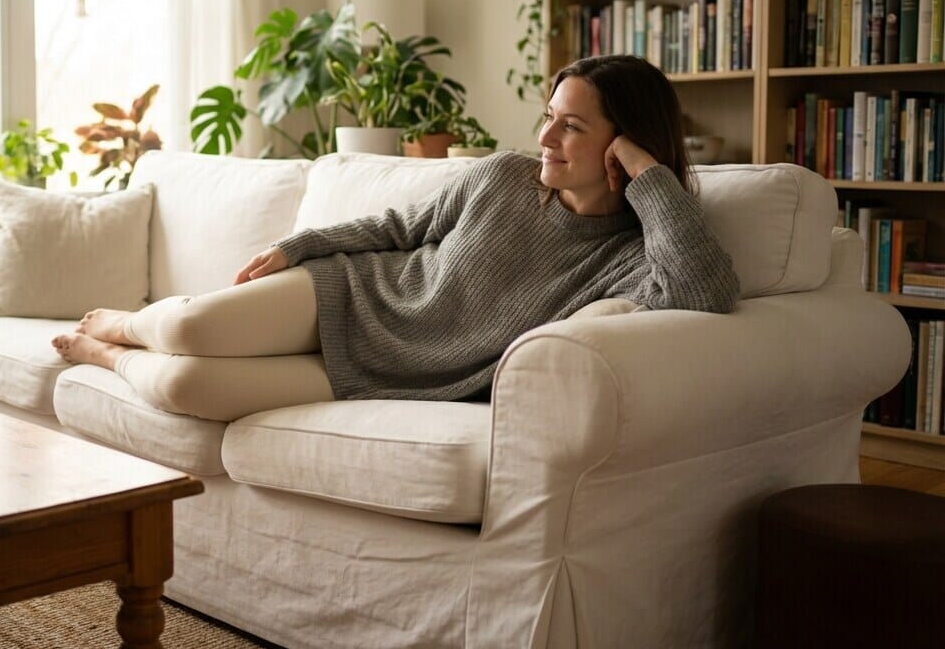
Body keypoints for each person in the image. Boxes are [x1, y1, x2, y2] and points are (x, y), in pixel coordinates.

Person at [52, 54, 740, 421]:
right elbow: (398, 227)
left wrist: (648, 173)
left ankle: (101, 356)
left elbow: (705, 292)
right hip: (353, 295)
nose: (544, 137)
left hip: (407, 374)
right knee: (193, 330)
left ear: (623, 142)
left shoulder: (630, 255)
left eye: (572, 126)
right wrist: (299, 247)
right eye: (548, 116)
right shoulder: (502, 175)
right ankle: (125, 323)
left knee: (185, 389)